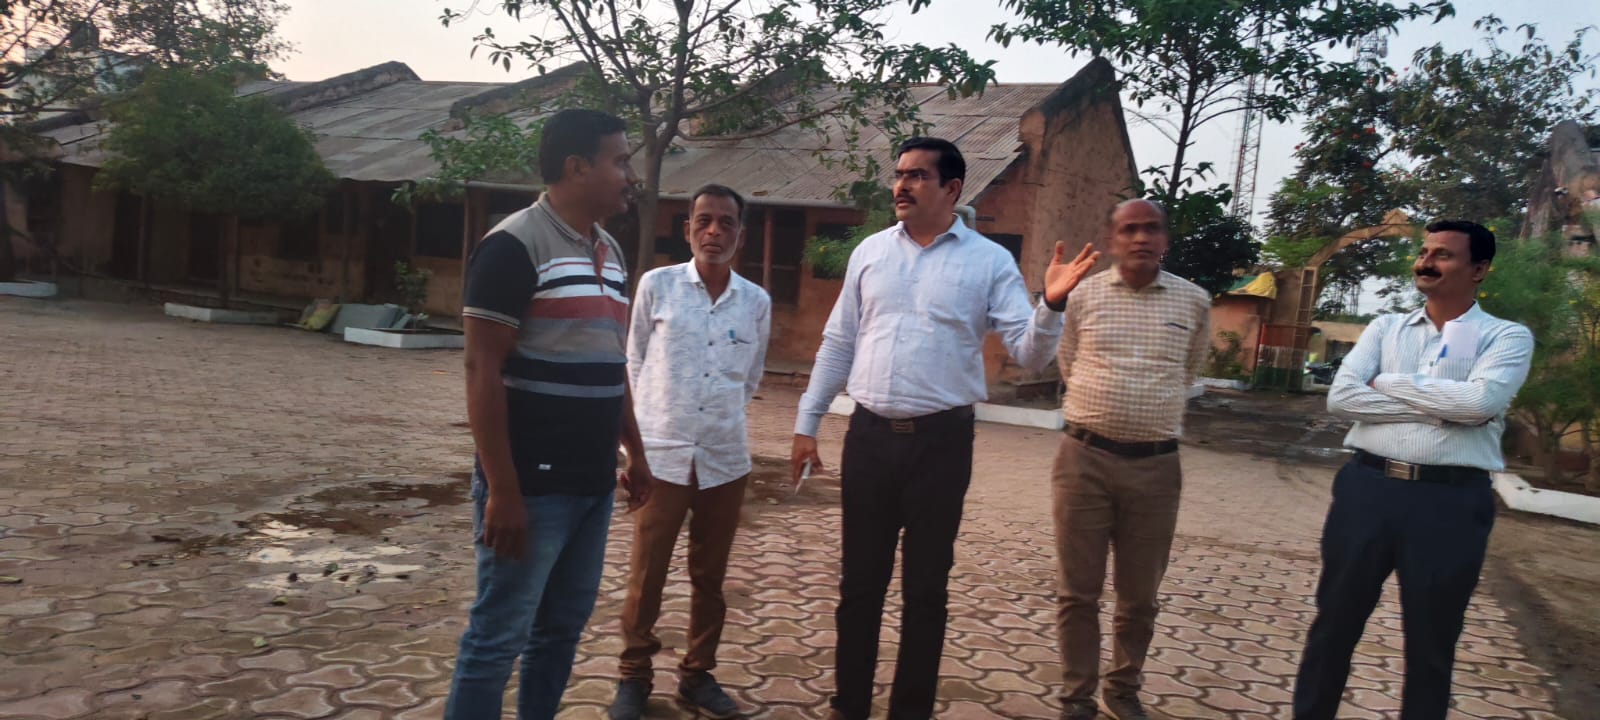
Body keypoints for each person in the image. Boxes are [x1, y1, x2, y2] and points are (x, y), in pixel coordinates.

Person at [790, 136, 1100, 720]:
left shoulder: (988, 262)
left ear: (952, 188)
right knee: (859, 586)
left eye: (917, 176)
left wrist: (1052, 306)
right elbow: (839, 341)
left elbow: (1029, 353)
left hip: (942, 446)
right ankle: (848, 707)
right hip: (869, 439)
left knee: (926, 591)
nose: (901, 186)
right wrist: (808, 423)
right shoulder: (871, 253)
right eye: (899, 174)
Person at [445, 108, 657, 720]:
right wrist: (502, 491)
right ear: (577, 166)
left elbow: (611, 364)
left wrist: (636, 453)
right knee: (498, 637)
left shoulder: (609, 250)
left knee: (560, 631)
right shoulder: (513, 245)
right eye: (620, 160)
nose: (631, 175)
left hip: (592, 483)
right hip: (531, 488)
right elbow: (481, 370)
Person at [1294, 220, 1533, 720]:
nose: (1426, 262)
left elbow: (1479, 404)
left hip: (1449, 503)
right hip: (1367, 491)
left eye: (1443, 254)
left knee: (1431, 641)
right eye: (1425, 252)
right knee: (1333, 625)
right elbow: (1342, 398)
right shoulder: (1385, 328)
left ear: (1478, 270)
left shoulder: (1505, 336)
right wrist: (1442, 408)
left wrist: (1387, 383)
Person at [607, 184, 772, 720]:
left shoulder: (756, 302)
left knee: (710, 576)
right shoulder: (657, 286)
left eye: (726, 222)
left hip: (724, 459)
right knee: (647, 574)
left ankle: (697, 674)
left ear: (741, 234)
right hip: (660, 457)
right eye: (704, 221)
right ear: (687, 229)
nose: (714, 232)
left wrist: (714, 418)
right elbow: (632, 365)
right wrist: (633, 449)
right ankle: (634, 675)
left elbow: (749, 379)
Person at [1050, 199, 1211, 720]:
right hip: (1084, 461)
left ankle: (1121, 690)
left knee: (1140, 596)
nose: (1141, 238)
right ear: (1112, 239)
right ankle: (1077, 697)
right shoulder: (1083, 296)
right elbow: (1069, 362)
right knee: (1078, 592)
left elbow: (1189, 371)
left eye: (1151, 229)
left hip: (1156, 469)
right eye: (1129, 229)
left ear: (1165, 239)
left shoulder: (1195, 302)